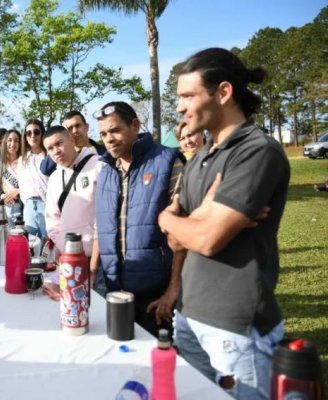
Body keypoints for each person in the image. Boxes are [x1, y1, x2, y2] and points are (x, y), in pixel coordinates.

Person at [158, 48, 290, 399]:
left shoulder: (257, 151)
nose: (181, 107)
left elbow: (207, 240)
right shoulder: (200, 158)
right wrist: (173, 219)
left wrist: (180, 221)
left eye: (188, 95)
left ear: (224, 92)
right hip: (188, 316)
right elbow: (174, 241)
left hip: (235, 328)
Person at [91, 101, 184, 337]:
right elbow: (100, 227)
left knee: (155, 363)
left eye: (114, 130)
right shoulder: (105, 171)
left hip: (155, 295)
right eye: (103, 134)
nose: (108, 139)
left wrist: (173, 290)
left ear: (135, 125)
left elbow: (184, 234)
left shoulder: (168, 161)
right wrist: (92, 272)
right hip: (114, 290)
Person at [43, 125, 102, 258]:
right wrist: (63, 247)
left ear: (71, 140)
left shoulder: (99, 166)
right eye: (50, 148)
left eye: (59, 143)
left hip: (99, 256)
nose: (56, 151)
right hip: (68, 257)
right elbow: (52, 221)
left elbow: (107, 214)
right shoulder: (53, 179)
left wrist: (96, 251)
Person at [40, 110, 105, 176]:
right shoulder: (64, 156)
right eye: (70, 128)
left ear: (86, 127)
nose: (74, 131)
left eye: (77, 126)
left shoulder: (105, 153)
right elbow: (45, 169)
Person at [17, 119, 48, 238]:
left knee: (49, 243)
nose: (32, 136)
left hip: (46, 204)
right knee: (32, 243)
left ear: (42, 133)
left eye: (36, 132)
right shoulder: (22, 160)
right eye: (28, 133)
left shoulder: (49, 156)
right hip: (29, 206)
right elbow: (22, 186)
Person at [0, 129, 23, 223]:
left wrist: (19, 191)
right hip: (3, 210)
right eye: (10, 140)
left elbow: (33, 186)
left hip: (22, 210)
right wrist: (2, 195)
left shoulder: (25, 162)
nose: (13, 144)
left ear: (20, 143)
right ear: (5, 142)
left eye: (16, 141)